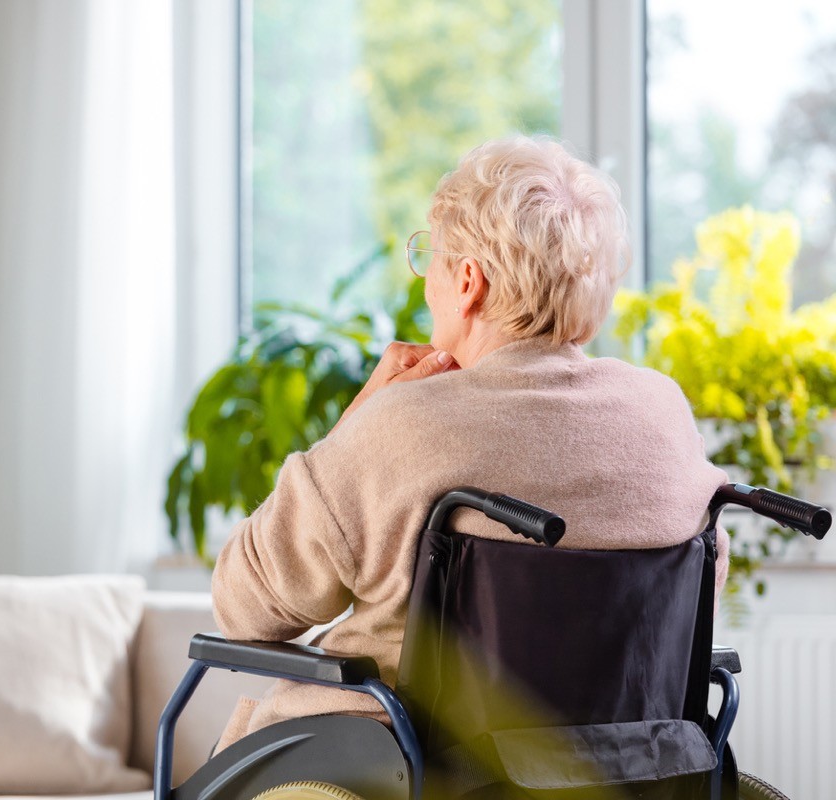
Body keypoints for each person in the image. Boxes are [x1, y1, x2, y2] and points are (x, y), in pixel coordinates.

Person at [210, 136, 728, 750]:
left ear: (467, 282)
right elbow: (701, 578)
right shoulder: (662, 412)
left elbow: (247, 607)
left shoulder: (405, 424)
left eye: (431, 257)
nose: (426, 279)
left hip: (399, 761)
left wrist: (360, 418)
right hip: (615, 763)